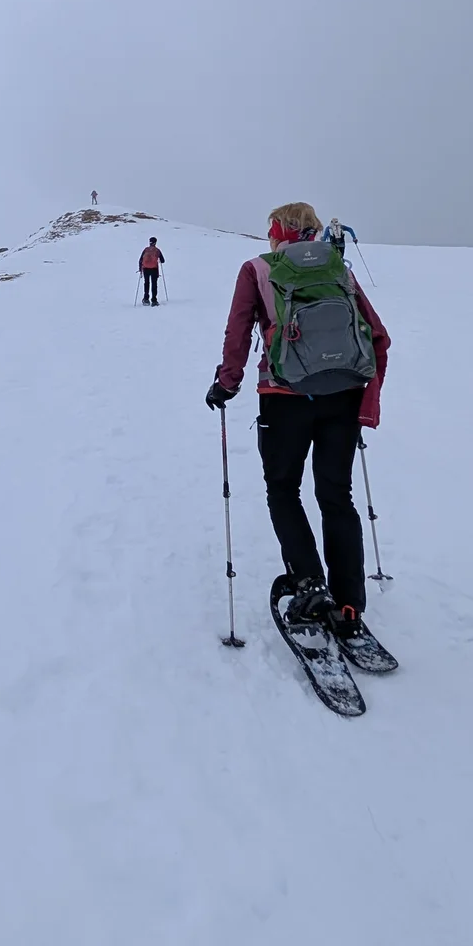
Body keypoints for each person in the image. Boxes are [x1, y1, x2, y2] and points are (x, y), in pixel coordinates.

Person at [204, 202, 390, 639]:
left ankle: (309, 584)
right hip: (342, 395)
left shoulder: (257, 268)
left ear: (276, 231)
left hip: (283, 398)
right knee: (336, 496)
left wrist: (226, 384)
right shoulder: (337, 268)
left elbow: (238, 332)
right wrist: (368, 396)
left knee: (283, 490)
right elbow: (374, 332)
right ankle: (348, 604)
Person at [138, 237, 164, 305]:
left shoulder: (146, 250)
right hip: (154, 269)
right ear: (155, 242)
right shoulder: (157, 250)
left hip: (146, 269)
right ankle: (154, 300)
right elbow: (163, 260)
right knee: (154, 284)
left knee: (146, 283)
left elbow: (140, 260)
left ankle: (146, 299)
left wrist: (140, 269)